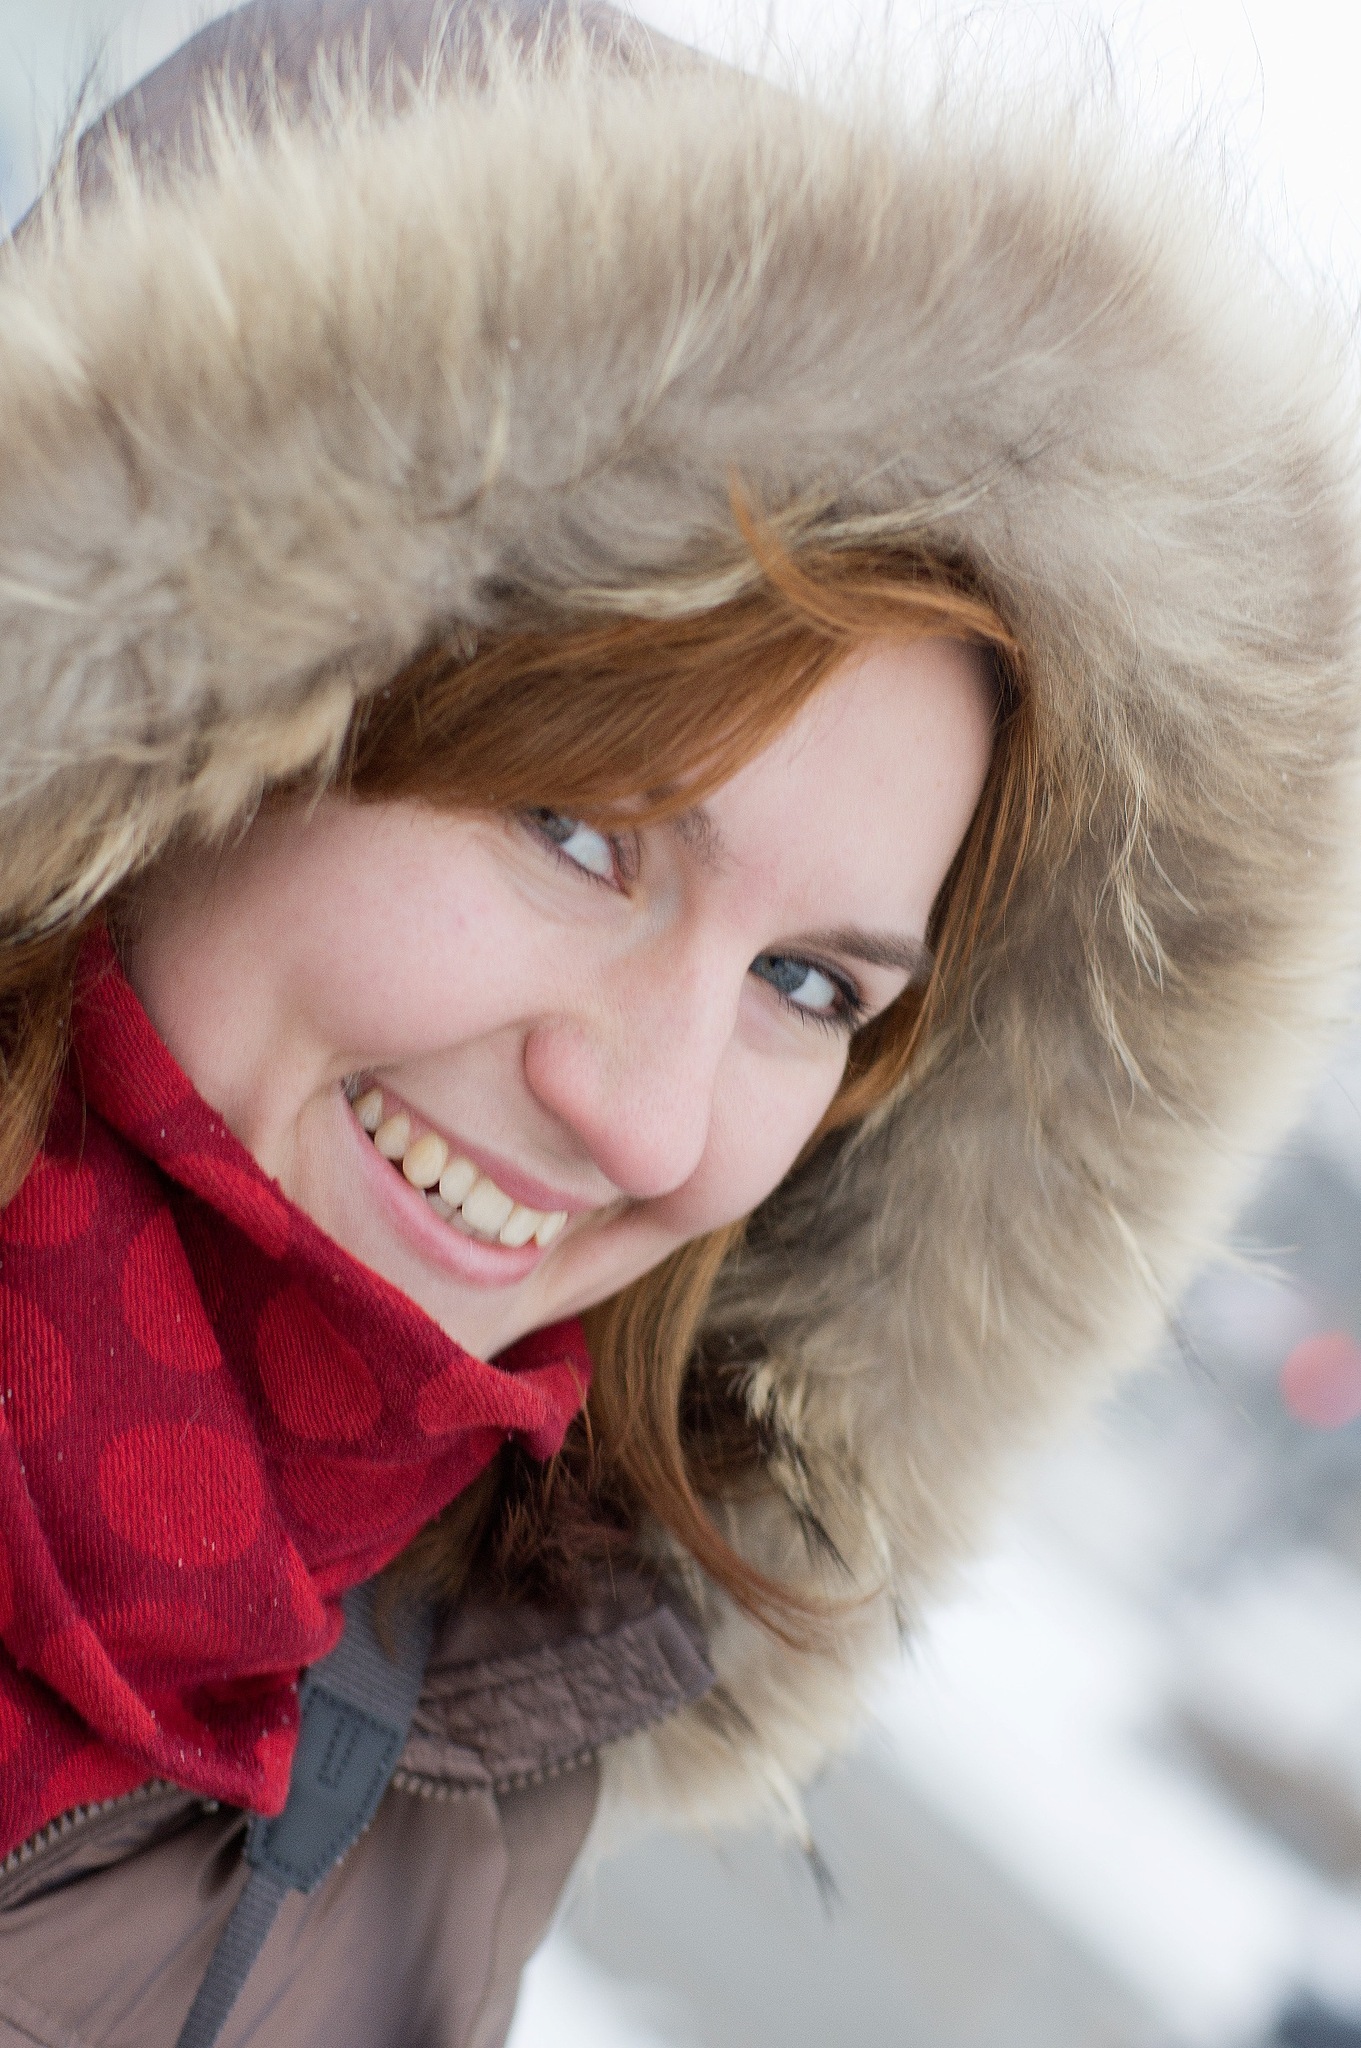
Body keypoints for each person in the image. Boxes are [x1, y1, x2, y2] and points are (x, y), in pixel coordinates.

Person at [0, 0, 1356, 2042]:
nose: (645, 1121)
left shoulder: (460, 1764)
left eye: (808, 986)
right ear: (196, 702)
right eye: (580, 832)